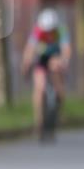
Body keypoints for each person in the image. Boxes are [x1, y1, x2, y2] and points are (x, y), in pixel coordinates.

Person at [21, 8, 71, 136]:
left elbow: (66, 49)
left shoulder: (61, 31)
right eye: (46, 30)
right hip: (42, 58)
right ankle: (39, 120)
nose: (48, 33)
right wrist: (26, 63)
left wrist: (64, 61)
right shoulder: (37, 31)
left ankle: (59, 111)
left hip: (55, 57)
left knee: (59, 86)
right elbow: (30, 49)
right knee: (39, 88)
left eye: (51, 30)